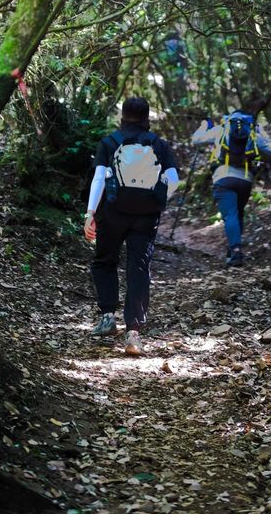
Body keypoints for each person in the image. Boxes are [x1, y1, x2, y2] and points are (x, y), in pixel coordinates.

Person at [84, 97, 179, 355]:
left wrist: (90, 213)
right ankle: (133, 332)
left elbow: (98, 179)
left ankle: (107, 318)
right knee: (138, 268)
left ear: (122, 116)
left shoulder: (110, 142)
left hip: (112, 213)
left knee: (105, 262)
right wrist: (157, 199)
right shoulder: (159, 144)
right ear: (147, 117)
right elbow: (173, 179)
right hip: (146, 217)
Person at [191, 92, 271, 267]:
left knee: (230, 214)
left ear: (230, 119)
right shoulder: (253, 132)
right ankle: (233, 249)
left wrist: (203, 125)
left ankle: (236, 252)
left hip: (223, 178)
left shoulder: (221, 129)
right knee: (238, 213)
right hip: (245, 179)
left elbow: (196, 141)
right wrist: (262, 131)